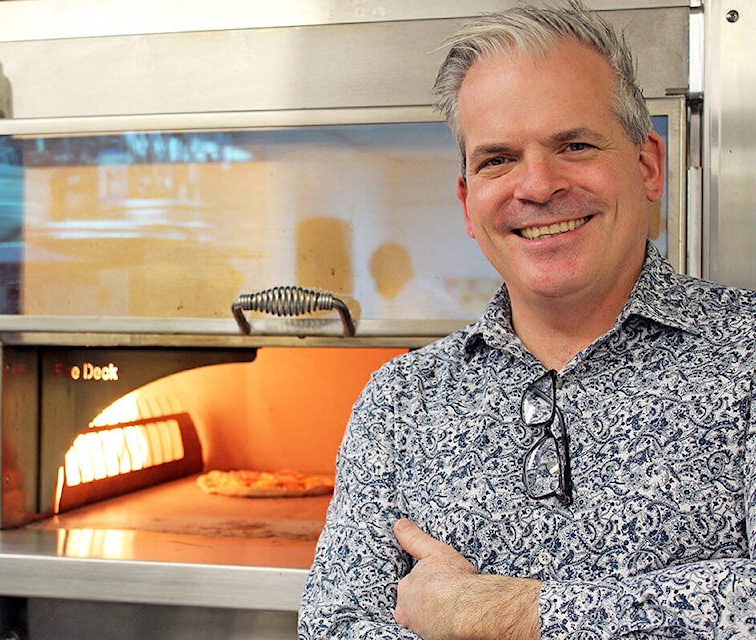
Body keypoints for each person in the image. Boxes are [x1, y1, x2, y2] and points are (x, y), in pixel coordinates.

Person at [298, 1, 756, 638]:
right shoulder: (399, 403)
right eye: (497, 160)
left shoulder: (747, 356)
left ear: (648, 165)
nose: (537, 186)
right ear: (468, 202)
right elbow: (334, 627)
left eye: (574, 144)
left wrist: (502, 614)